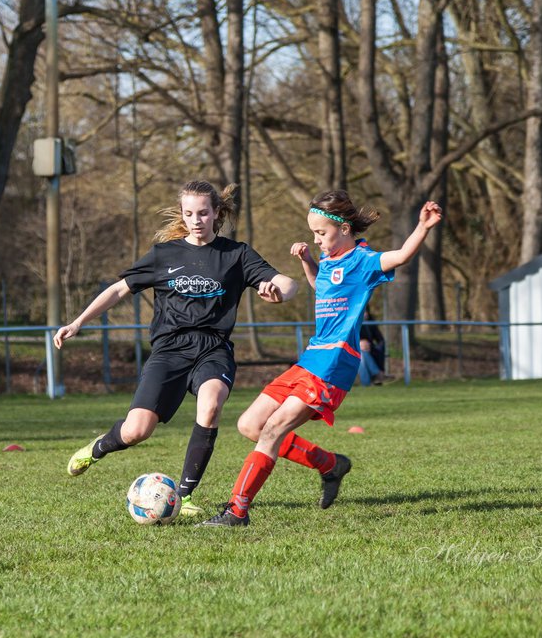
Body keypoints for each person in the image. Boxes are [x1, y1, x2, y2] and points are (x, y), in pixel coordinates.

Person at [54, 181, 298, 515]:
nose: (196, 220)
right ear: (182, 215)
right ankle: (97, 448)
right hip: (169, 350)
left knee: (210, 406)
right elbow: (117, 290)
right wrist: (78, 321)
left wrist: (278, 290)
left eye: (203, 213)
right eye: (189, 213)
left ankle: (182, 497)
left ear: (216, 214)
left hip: (214, 348)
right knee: (136, 430)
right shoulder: (163, 254)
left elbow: (288, 282)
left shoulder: (236, 254)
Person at [200, 192, 443, 527]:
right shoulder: (328, 262)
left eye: (321, 233)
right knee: (250, 425)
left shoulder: (362, 261)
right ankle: (330, 465)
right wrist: (307, 261)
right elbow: (322, 288)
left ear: (343, 228)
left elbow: (400, 256)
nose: (316, 240)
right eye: (313, 234)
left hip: (334, 364)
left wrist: (423, 227)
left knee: (271, 431)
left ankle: (237, 511)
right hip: (309, 359)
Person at [357, 317, 385, 386]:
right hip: (351, 351)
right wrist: (358, 343)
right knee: (361, 353)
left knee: (362, 354)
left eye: (366, 311)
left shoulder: (371, 323)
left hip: (368, 351)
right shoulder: (351, 321)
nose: (365, 314)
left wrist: (369, 346)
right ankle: (376, 374)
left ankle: (366, 383)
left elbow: (380, 340)